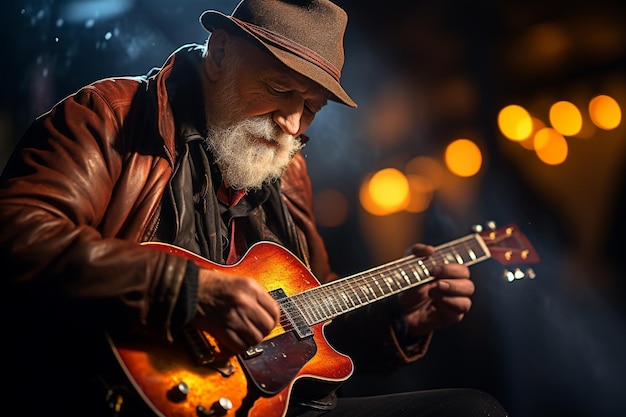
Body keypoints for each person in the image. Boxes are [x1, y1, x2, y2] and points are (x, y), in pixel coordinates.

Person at [0, 1, 508, 416]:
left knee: (471, 410)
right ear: (219, 53)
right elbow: (19, 234)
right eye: (280, 89)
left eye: (310, 108)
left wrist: (402, 321)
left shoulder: (290, 174)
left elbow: (318, 323)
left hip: (268, 404)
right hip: (110, 393)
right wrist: (189, 289)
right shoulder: (110, 115)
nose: (291, 123)